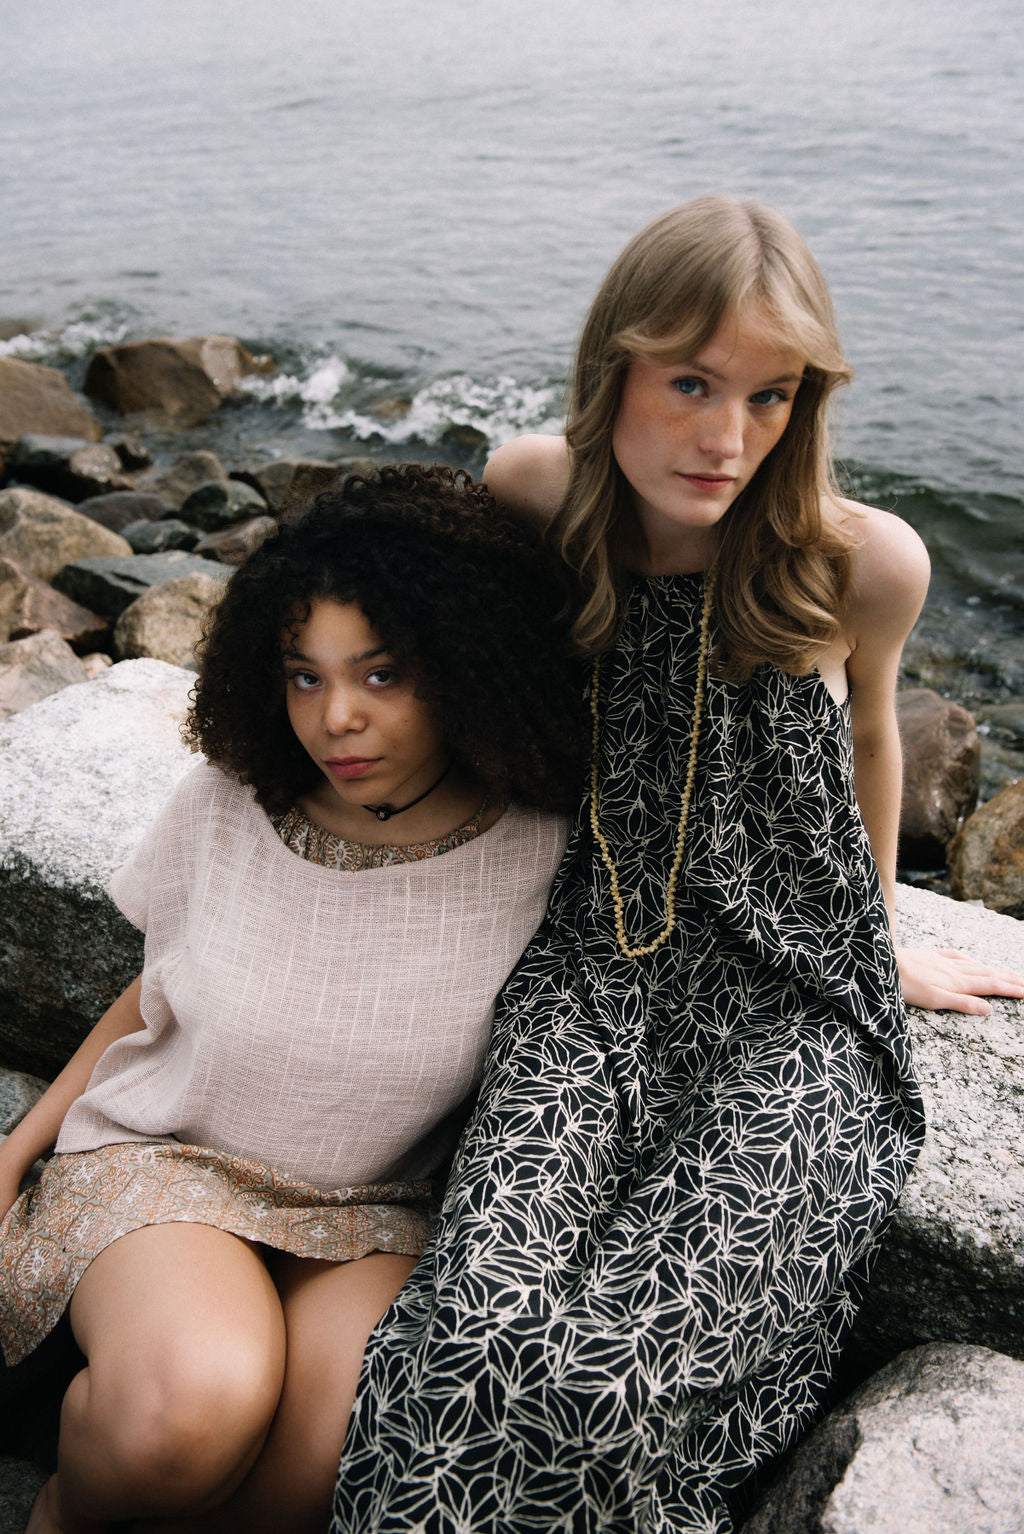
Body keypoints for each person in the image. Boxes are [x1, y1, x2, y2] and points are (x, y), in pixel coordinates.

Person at [331, 197, 1024, 1533]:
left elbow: (877, 735)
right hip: (591, 974)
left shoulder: (861, 559)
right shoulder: (538, 489)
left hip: (794, 1003)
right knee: (468, 1333)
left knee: (625, 1373)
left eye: (771, 397)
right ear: (617, 370)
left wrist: (877, 940)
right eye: (691, 383)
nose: (726, 437)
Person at [0, 463, 585, 1534]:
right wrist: (8, 1158)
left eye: (380, 673)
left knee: (325, 1464)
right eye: (303, 675)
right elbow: (153, 995)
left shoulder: (544, 847)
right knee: (187, 1410)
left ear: (463, 661)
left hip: (374, 1210)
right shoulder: (235, 797)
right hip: (169, 1163)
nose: (336, 719)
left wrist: (863, 942)